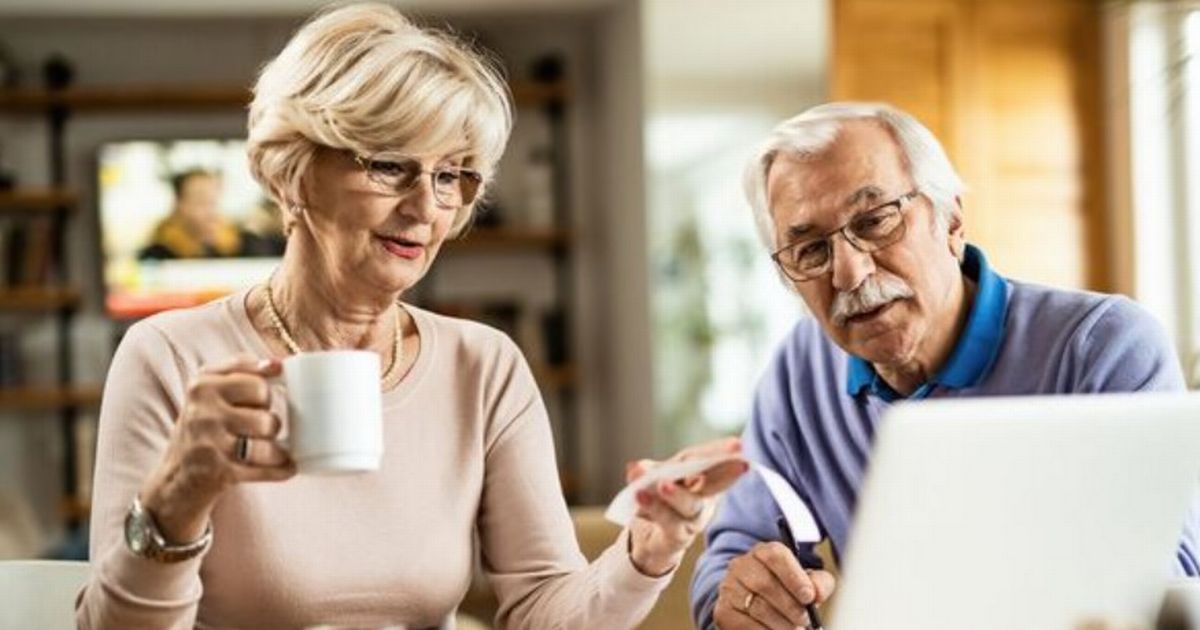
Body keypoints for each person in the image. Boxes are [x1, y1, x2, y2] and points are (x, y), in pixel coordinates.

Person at [77, 4, 746, 628]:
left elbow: (545, 607)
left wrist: (648, 550)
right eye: (390, 165)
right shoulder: (171, 356)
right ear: (293, 173)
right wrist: (177, 496)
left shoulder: (483, 366)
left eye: (451, 175)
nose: (427, 207)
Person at [689, 102, 1200, 630]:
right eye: (811, 250)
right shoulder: (800, 372)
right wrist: (746, 597)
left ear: (951, 220)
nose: (849, 273)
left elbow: (1167, 581)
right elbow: (730, 557)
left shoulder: (1102, 346)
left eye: (875, 221)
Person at [138, 169, 259, 260]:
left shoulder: (242, 245)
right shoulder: (158, 254)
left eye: (213, 202)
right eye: (201, 202)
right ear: (179, 204)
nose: (211, 212)